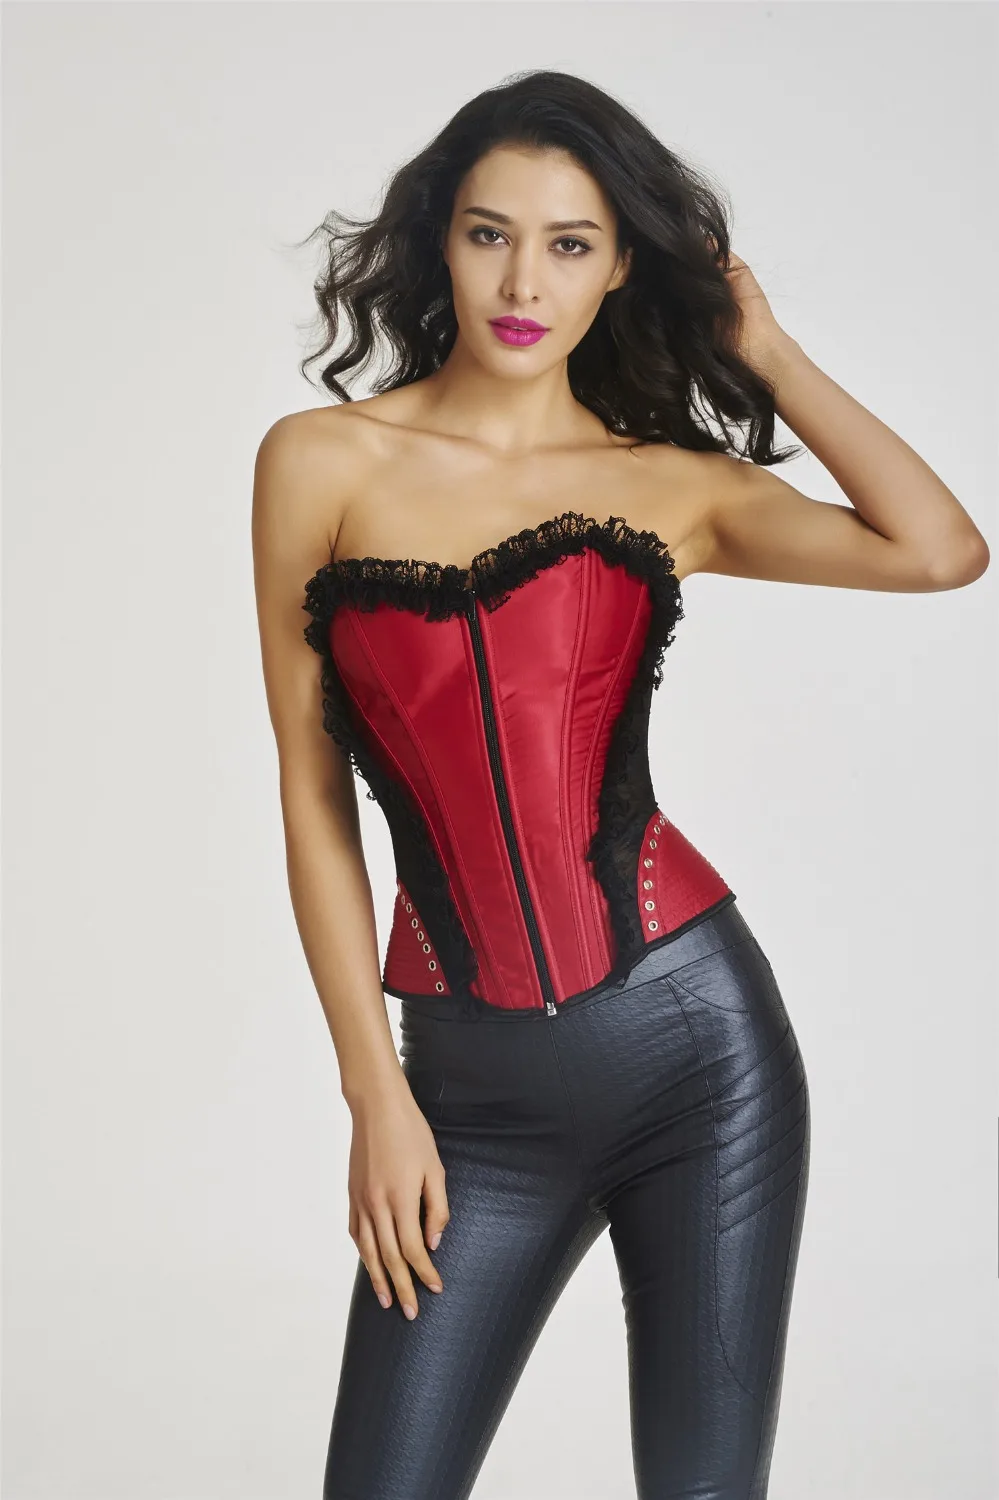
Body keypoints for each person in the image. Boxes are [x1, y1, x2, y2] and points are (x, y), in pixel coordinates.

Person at [251, 69, 988, 1500]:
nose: (523, 282)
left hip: (696, 1057)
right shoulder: (320, 462)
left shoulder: (669, 484)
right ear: (440, 238)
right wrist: (373, 1095)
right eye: (489, 234)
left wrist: (767, 353)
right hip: (462, 1098)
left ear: (621, 267)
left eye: (570, 244)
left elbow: (938, 549)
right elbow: (309, 791)